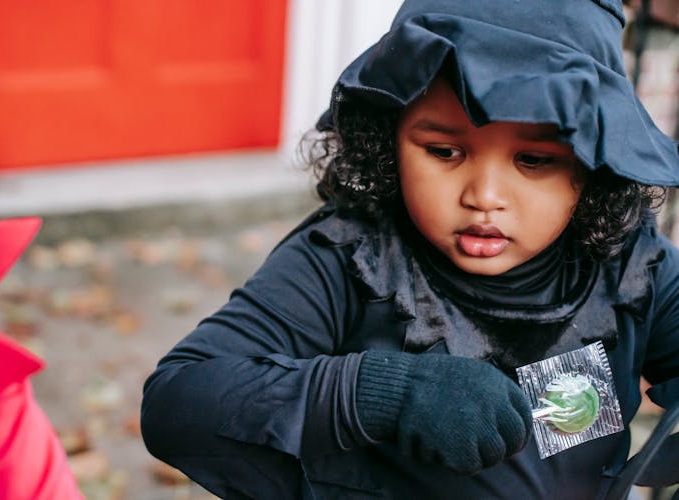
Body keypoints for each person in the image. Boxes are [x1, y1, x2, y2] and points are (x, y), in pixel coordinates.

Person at [140, 0, 679, 498]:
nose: (483, 197)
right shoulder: (347, 261)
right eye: (444, 151)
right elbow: (178, 400)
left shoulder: (630, 263)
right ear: (387, 136)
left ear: (593, 167)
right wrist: (381, 395)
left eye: (534, 161)